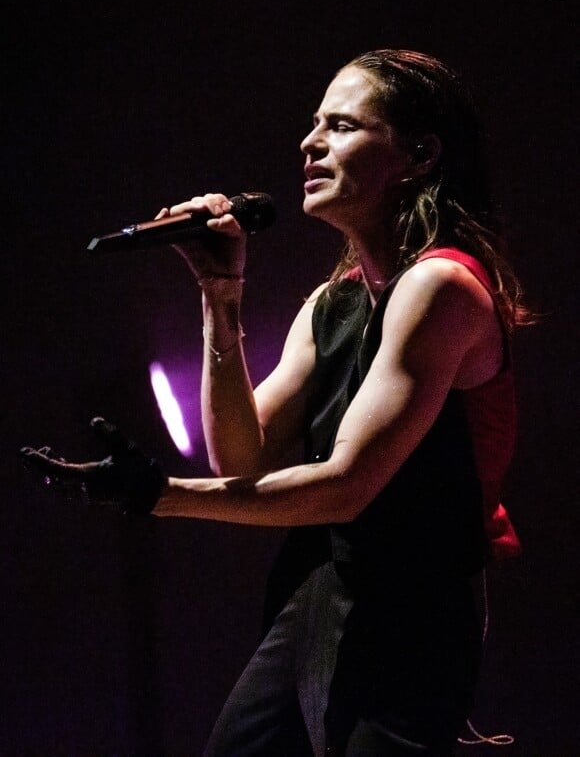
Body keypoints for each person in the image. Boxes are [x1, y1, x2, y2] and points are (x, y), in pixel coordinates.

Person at [22, 49, 525, 756]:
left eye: (342, 126)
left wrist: (160, 495)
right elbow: (243, 451)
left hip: (411, 609)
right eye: (314, 123)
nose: (309, 141)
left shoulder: (443, 288)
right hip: (319, 589)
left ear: (417, 156)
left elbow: (347, 484)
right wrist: (220, 299)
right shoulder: (334, 302)